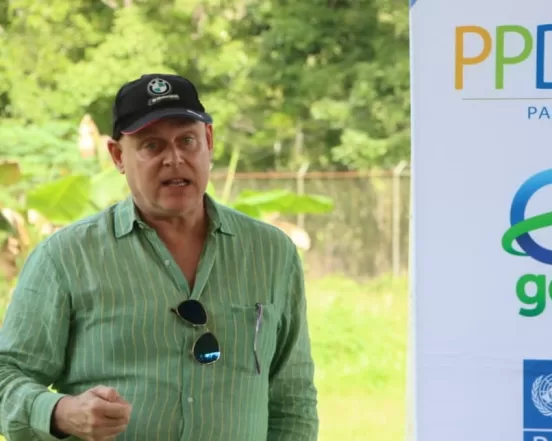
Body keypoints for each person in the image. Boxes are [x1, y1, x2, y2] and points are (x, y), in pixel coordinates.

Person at [0, 73, 319, 441]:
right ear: (118, 156)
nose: (174, 159)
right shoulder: (65, 258)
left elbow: (293, 400)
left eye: (187, 140)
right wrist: (60, 412)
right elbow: (7, 376)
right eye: (152, 146)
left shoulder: (270, 253)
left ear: (209, 141)